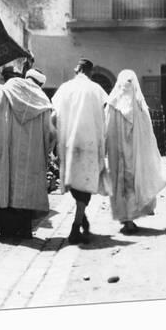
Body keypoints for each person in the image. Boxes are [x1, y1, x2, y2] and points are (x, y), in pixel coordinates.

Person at [0, 69, 56, 239]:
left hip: (3, 153)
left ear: (26, 77)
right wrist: (44, 153)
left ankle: (1, 229)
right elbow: (51, 135)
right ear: (40, 84)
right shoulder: (43, 103)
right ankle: (25, 229)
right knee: (26, 189)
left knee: (2, 185)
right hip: (30, 159)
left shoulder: (3, 94)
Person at [51, 58, 110, 244]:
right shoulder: (96, 90)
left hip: (70, 144)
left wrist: (60, 136)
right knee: (85, 186)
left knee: (76, 186)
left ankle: (81, 219)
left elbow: (53, 118)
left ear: (78, 70)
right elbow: (104, 116)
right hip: (90, 144)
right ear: (90, 72)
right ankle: (76, 227)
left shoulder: (65, 88)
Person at [106, 70, 166, 234]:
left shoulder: (115, 105)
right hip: (128, 156)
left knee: (125, 185)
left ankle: (128, 219)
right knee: (128, 185)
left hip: (125, 156)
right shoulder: (138, 106)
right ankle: (128, 219)